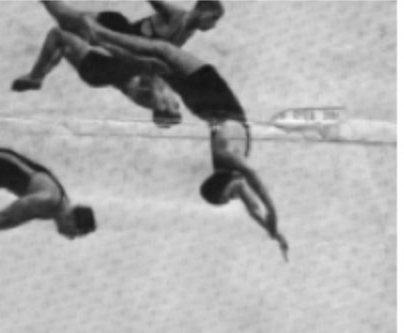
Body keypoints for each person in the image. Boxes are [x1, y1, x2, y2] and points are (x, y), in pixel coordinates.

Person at [85, 17, 289, 259]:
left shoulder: (227, 159)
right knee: (160, 61)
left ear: (223, 183)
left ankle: (102, 36)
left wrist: (272, 213)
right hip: (211, 104)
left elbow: (254, 182)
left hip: (212, 101)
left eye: (228, 196)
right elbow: (253, 206)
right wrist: (272, 231)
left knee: (162, 52)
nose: (235, 197)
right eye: (231, 198)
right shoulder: (232, 170)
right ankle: (105, 41)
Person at [11, 1, 182, 128]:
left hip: (99, 67)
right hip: (106, 57)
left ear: (163, 108)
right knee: (64, 26)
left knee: (59, 33)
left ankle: (36, 76)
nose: (173, 101)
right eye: (176, 104)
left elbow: (133, 64)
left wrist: (103, 42)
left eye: (171, 106)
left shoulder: (151, 96)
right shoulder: (158, 92)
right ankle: (38, 75)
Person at [96, 1, 224, 47]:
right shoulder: (176, 14)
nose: (214, 26)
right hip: (126, 35)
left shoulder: (190, 31)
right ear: (200, 11)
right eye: (214, 18)